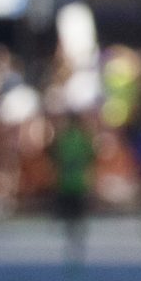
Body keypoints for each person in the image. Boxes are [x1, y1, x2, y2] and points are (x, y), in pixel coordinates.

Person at [50, 107, 95, 268]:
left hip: (66, 182)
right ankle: (77, 247)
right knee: (78, 218)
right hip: (79, 183)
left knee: (70, 218)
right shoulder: (84, 138)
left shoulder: (63, 139)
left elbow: (56, 159)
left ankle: (71, 247)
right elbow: (90, 158)